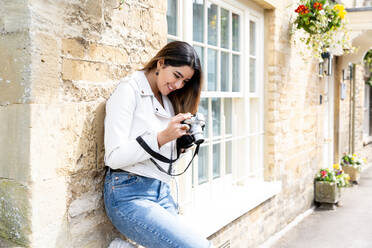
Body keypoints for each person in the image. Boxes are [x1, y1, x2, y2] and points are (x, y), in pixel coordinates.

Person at [104, 41, 214, 248]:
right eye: (177, 76)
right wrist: (162, 137)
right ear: (161, 63)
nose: (178, 85)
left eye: (185, 81)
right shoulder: (129, 90)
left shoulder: (170, 100)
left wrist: (180, 143)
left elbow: (159, 154)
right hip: (128, 194)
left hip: (162, 191)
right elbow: (113, 156)